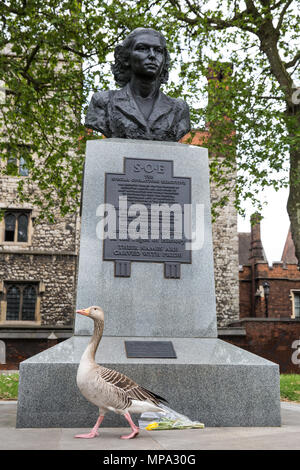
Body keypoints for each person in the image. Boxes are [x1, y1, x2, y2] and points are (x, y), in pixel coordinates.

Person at [85, 28, 190, 141]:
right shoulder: (103, 102)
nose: (152, 55)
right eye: (142, 48)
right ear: (125, 58)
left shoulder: (179, 109)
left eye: (158, 50)